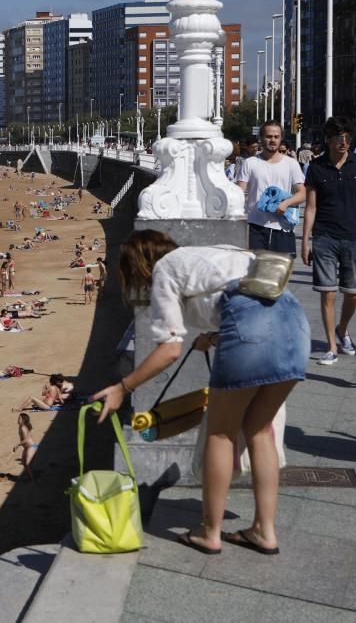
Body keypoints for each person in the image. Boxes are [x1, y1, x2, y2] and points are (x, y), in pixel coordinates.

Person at [92, 230, 309, 555]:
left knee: (221, 434)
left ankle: (210, 532)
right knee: (260, 430)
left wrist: (123, 387)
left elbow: (170, 350)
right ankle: (265, 531)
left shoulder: (164, 269)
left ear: (139, 264)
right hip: (296, 325)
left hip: (249, 328)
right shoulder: (210, 252)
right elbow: (257, 299)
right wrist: (217, 335)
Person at [302, 116, 356, 365]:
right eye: (338, 137)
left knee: (353, 292)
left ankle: (343, 329)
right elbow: (310, 207)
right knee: (328, 293)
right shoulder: (316, 167)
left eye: (347, 138)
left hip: (354, 235)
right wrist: (305, 240)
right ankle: (331, 346)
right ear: (329, 140)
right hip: (324, 235)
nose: (343, 142)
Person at [236, 121, 306, 255]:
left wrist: (286, 203)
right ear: (261, 139)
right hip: (256, 227)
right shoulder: (250, 163)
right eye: (269, 136)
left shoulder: (291, 164)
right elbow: (238, 192)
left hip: (283, 228)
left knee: (280, 273)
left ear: (281, 139)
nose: (273, 140)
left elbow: (302, 194)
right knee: (255, 272)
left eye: (276, 136)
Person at [13, 413, 38, 480]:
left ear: (23, 420)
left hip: (31, 447)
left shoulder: (23, 428)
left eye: (19, 418)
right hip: (27, 447)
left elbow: (26, 439)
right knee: (24, 463)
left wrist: (18, 445)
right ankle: (31, 476)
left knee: (27, 464)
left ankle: (33, 480)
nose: (18, 419)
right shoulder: (21, 426)